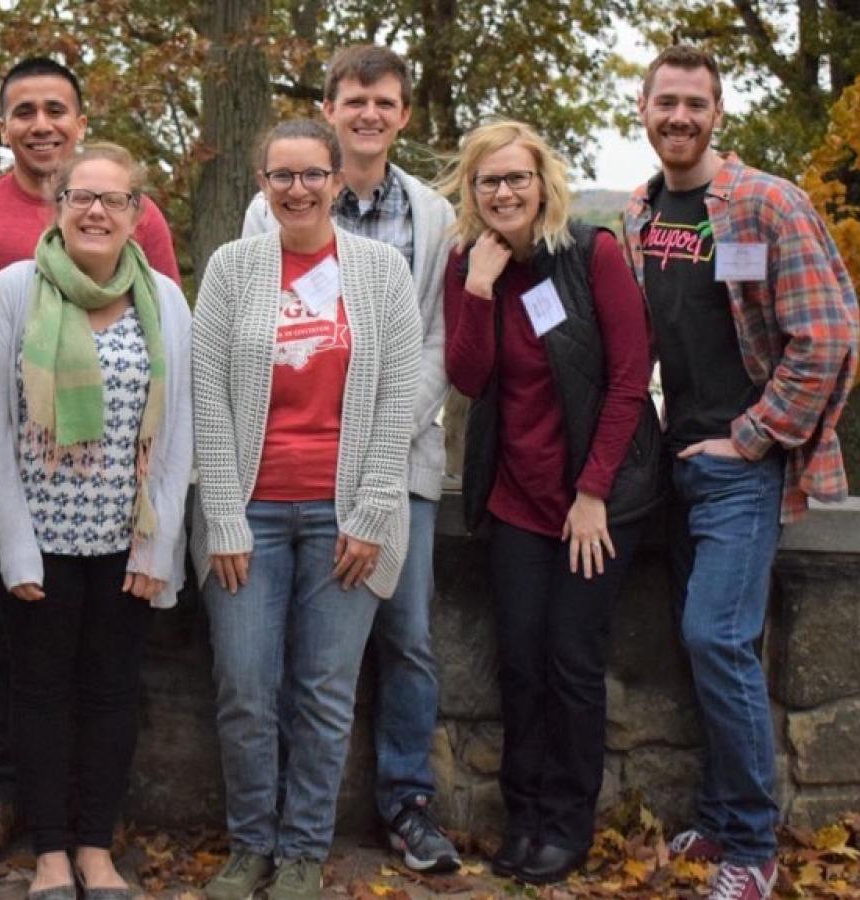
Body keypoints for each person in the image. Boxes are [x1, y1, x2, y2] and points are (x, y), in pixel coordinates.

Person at [623, 46, 859, 900]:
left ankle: (753, 849)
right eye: (666, 102)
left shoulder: (765, 202)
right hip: (678, 463)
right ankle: (722, 817)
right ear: (643, 110)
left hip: (740, 470)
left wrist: (755, 436)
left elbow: (827, 334)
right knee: (712, 646)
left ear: (718, 112)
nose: (679, 117)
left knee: (716, 639)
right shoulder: (644, 211)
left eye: (696, 103)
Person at [0, 56, 182, 864]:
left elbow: (176, 422)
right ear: (60, 205)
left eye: (112, 199)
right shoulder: (10, 287)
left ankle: (92, 846)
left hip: (126, 534)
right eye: (81, 197)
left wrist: (160, 543)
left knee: (113, 691)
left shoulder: (162, 294)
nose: (96, 211)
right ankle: (44, 844)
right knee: (30, 686)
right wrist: (11, 543)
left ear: (135, 211)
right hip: (37, 534)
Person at [240, 45, 459, 872]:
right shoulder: (271, 209)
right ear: (329, 111)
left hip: (396, 462)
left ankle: (407, 806)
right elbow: (258, 323)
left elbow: (437, 338)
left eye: (385, 101)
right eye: (354, 100)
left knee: (405, 634)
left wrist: (383, 433)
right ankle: (291, 823)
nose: (369, 113)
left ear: (404, 114)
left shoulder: (432, 216)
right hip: (293, 461)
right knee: (292, 653)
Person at [194, 119, 421, 900]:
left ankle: (301, 853)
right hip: (250, 514)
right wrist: (223, 514)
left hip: (344, 515)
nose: (297, 189)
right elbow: (208, 398)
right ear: (261, 183)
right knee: (246, 687)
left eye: (312, 174)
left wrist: (373, 509)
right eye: (281, 176)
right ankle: (251, 844)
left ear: (335, 179)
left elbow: (399, 396)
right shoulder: (231, 268)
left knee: (325, 694)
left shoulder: (382, 271)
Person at [440, 120, 664, 884]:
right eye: (488, 181)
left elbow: (631, 380)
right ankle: (525, 818)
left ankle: (568, 824)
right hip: (514, 499)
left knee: (572, 661)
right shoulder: (469, 265)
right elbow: (468, 380)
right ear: (472, 193)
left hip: (594, 502)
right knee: (522, 666)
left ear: (543, 184)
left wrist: (594, 492)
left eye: (516, 178)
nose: (503, 192)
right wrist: (475, 286)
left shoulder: (592, 255)